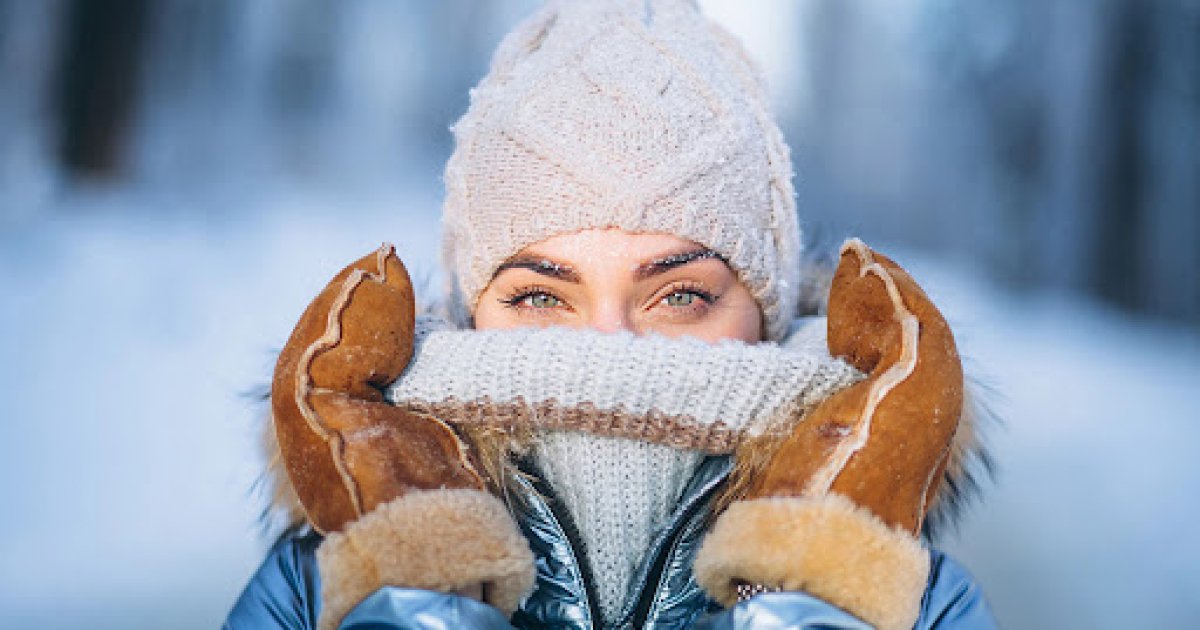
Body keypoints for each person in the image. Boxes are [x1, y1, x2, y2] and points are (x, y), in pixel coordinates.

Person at [225, 1, 998, 628]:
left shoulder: (903, 599)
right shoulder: (324, 586)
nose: (608, 350)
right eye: (539, 296)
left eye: (680, 295)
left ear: (765, 313)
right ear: (469, 310)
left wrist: (817, 596)